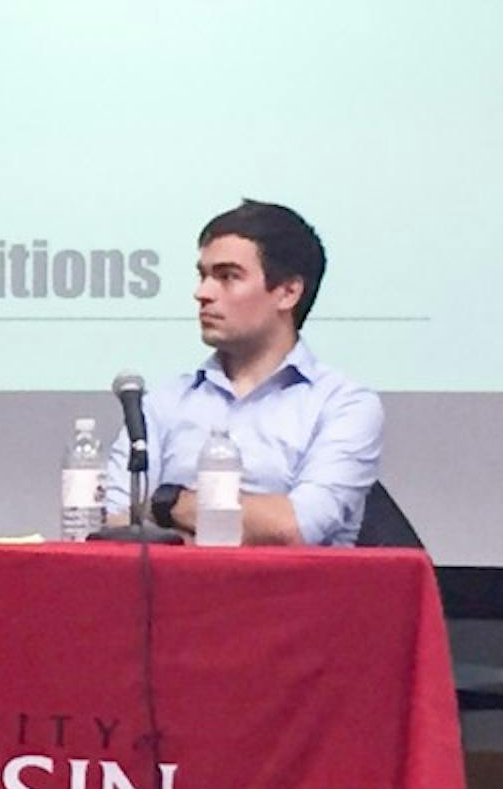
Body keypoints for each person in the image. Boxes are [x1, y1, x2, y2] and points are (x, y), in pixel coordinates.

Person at [102, 199, 382, 546]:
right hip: (174, 595)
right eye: (203, 276)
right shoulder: (163, 403)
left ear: (287, 292)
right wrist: (247, 522)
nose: (202, 293)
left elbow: (294, 527)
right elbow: (118, 525)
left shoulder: (343, 404)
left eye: (227, 277)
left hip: (294, 597)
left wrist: (168, 503)